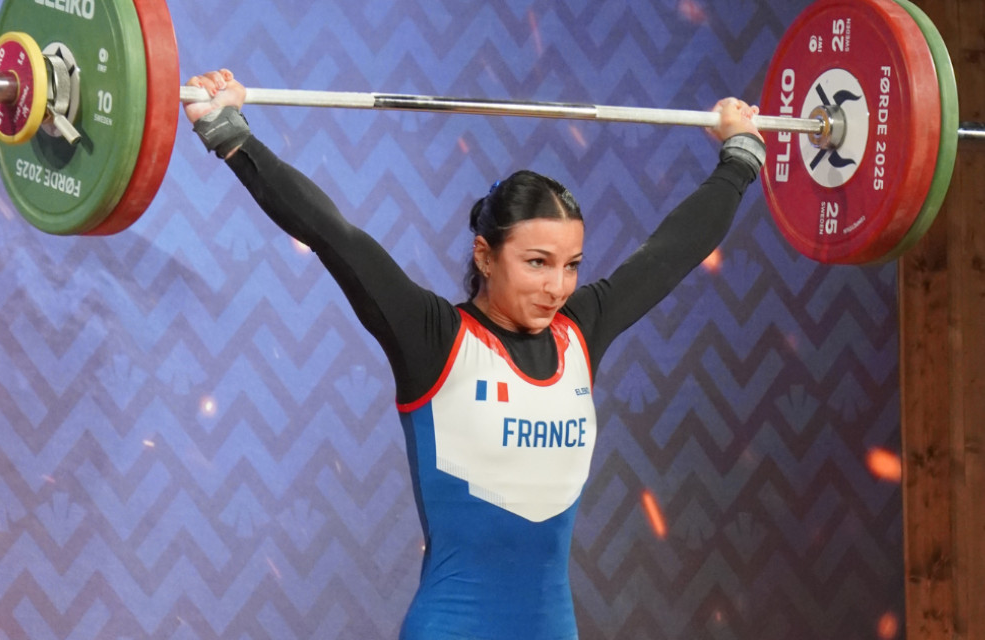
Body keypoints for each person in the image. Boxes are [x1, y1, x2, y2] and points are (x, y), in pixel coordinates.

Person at [183, 69, 765, 640]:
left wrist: (740, 155)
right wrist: (229, 132)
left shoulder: (581, 331)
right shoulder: (433, 337)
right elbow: (334, 234)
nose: (557, 287)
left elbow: (673, 250)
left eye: (571, 266)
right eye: (536, 262)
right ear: (485, 256)